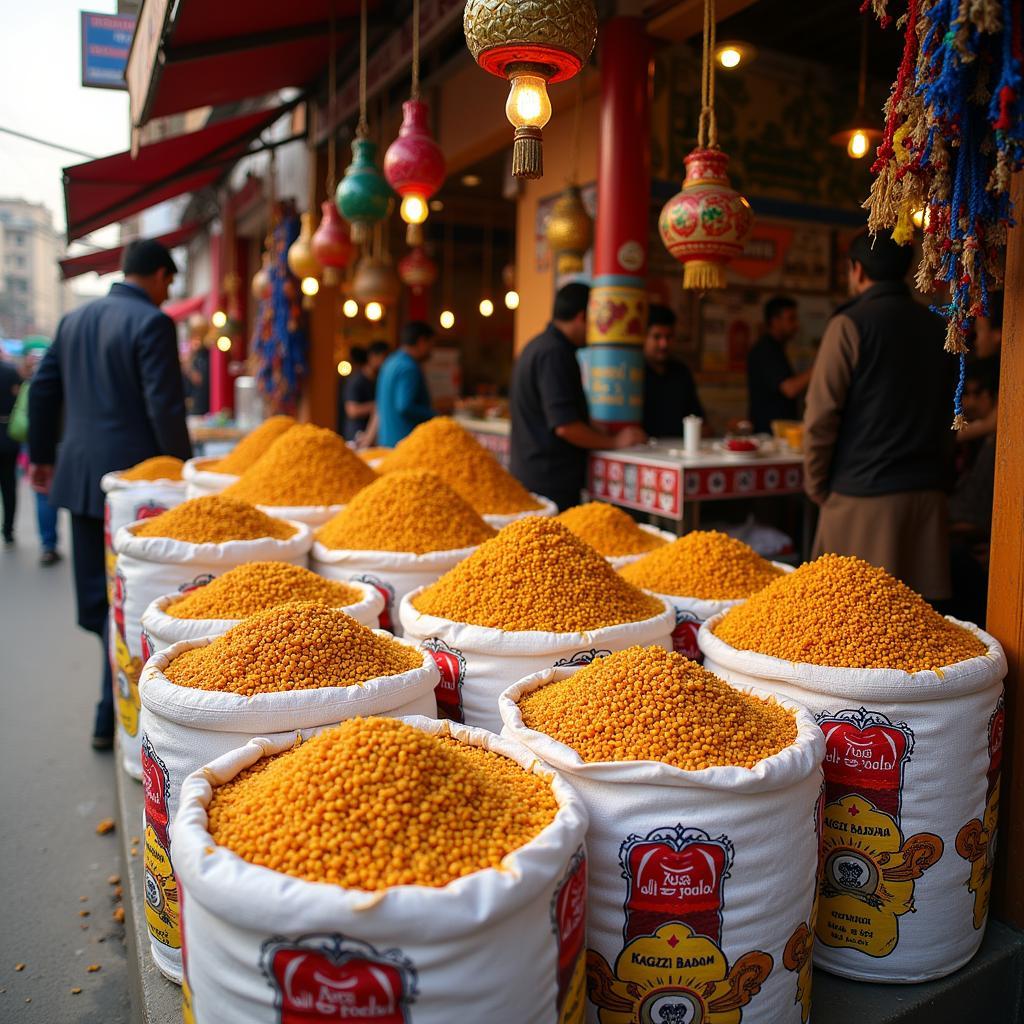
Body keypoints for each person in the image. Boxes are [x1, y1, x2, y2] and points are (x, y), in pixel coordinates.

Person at [28, 239, 193, 749]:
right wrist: (183, 471)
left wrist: (41, 456)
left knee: (99, 603)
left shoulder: (74, 320)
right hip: (135, 490)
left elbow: (42, 389)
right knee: (129, 600)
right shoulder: (152, 323)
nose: (168, 294)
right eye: (169, 282)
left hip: (79, 481)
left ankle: (108, 713)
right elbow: (164, 406)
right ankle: (117, 714)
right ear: (159, 274)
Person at [803, 228, 954, 602]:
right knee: (920, 631)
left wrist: (817, 484)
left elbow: (820, 416)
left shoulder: (849, 325)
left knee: (851, 623)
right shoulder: (939, 327)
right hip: (927, 498)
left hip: (861, 503)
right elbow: (953, 411)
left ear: (856, 270)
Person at [510, 282, 647, 511]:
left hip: (535, 474)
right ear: (583, 317)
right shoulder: (554, 353)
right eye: (598, 320)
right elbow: (565, 426)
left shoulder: (538, 346)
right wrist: (615, 442)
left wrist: (594, 427)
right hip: (550, 482)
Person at [747, 295, 811, 433]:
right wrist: (821, 366)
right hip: (769, 433)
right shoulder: (766, 350)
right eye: (791, 319)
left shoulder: (776, 348)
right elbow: (790, 389)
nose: (796, 325)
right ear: (775, 321)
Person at [642, 304, 704, 438]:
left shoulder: (682, 372)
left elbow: (698, 419)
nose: (664, 344)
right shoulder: (634, 373)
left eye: (669, 337)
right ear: (644, 337)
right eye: (657, 337)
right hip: (642, 452)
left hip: (678, 452)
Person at [375, 322, 436, 447]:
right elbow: (404, 406)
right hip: (406, 443)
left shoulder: (390, 362)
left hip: (387, 441)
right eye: (431, 344)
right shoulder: (409, 367)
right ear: (421, 342)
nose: (431, 350)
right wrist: (435, 415)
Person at [341, 340, 389, 443]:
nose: (385, 362)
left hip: (373, 435)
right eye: (383, 357)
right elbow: (352, 411)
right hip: (357, 435)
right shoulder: (356, 380)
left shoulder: (379, 379)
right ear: (372, 356)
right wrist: (378, 405)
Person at [0, 356, 20, 546]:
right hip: (7, 434)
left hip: (7, 433)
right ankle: (8, 529)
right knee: (8, 485)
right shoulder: (10, 371)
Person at [182, 318, 210, 415]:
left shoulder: (206, 355)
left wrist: (187, 366)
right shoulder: (195, 354)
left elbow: (199, 379)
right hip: (192, 401)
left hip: (201, 405)